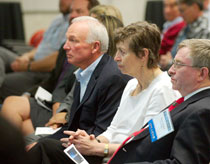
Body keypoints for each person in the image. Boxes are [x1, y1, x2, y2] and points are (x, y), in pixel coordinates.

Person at [28, 21, 180, 164]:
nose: (116, 58)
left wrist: (99, 148)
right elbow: (113, 130)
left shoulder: (163, 89)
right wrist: (91, 141)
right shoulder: (132, 84)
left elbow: (149, 145)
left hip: (123, 159)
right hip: (105, 155)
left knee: (45, 148)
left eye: (122, 52)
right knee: (46, 147)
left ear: (143, 55)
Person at [28, 16, 131, 164]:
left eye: (73, 40)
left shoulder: (112, 78)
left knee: (44, 147)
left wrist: (41, 145)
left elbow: (102, 133)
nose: (65, 46)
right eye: (67, 40)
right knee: (35, 144)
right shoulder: (83, 73)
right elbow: (73, 126)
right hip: (79, 143)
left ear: (95, 47)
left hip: (95, 152)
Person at [107, 38, 210, 164]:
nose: (170, 71)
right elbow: (153, 137)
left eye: (179, 65)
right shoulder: (188, 101)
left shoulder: (204, 112)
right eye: (173, 63)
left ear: (202, 73)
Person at [1, 0, 100, 138]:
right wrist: (29, 93)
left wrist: (60, 111)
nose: (72, 15)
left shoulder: (89, 59)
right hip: (51, 99)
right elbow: (53, 79)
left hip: (63, 109)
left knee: (17, 112)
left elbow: (68, 92)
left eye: (78, 11)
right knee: (17, 111)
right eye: (72, 11)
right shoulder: (65, 45)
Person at [0, 0, 72, 102]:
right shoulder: (57, 20)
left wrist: (28, 66)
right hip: (32, 61)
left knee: (5, 82)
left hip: (40, 70)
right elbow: (42, 46)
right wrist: (27, 56)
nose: (61, 1)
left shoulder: (74, 26)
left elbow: (56, 60)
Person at [159, 0, 185, 70]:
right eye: (165, 6)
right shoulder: (168, 24)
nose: (167, 10)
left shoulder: (181, 26)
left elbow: (160, 51)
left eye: (172, 6)